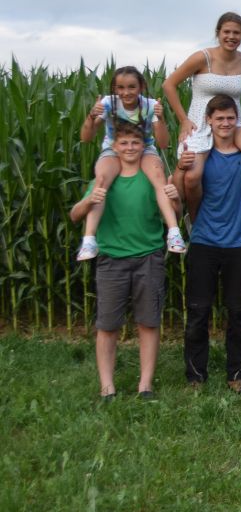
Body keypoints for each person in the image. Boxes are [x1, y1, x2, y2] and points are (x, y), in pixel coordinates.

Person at [70, 121, 180, 400]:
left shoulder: (152, 177)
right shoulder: (103, 179)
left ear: (144, 146)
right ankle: (107, 387)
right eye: (124, 143)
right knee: (107, 325)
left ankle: (146, 385)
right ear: (114, 146)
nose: (130, 148)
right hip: (111, 259)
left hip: (149, 257)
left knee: (149, 323)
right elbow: (75, 215)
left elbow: (174, 212)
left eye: (135, 143)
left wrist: (176, 198)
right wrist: (87, 201)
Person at [177, 93, 241, 393]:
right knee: (198, 311)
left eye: (230, 118)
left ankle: (237, 376)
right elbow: (181, 192)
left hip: (240, 242)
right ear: (209, 120)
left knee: (239, 313)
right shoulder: (200, 157)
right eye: (219, 118)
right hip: (204, 241)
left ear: (236, 119)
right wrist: (180, 168)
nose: (225, 123)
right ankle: (195, 377)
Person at [162, 12, 241, 216]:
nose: (231, 37)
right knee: (192, 177)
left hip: (233, 123)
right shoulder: (202, 57)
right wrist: (184, 120)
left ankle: (240, 207)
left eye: (237, 33)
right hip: (200, 123)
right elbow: (169, 85)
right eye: (227, 32)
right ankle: (196, 219)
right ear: (218, 33)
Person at [76, 65, 185, 261]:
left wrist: (160, 118)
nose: (126, 93)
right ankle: (89, 239)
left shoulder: (150, 105)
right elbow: (86, 138)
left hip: (145, 148)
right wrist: (91, 116)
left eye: (131, 87)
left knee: (158, 177)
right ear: (114, 88)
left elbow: (163, 143)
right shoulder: (108, 103)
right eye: (120, 87)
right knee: (101, 180)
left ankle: (174, 232)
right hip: (113, 149)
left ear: (141, 87)